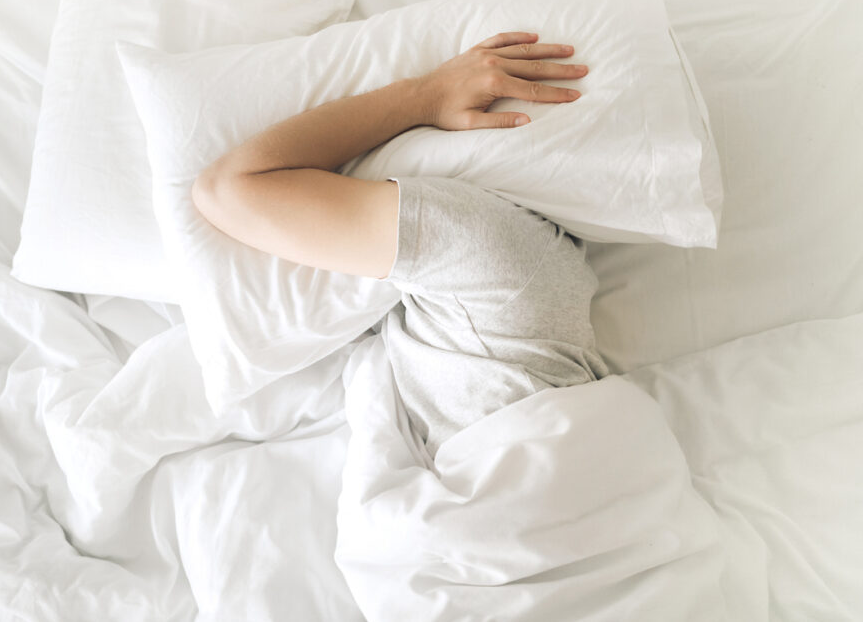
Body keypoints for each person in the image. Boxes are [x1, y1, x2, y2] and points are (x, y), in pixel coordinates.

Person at [192, 31, 608, 457]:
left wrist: (424, 97)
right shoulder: (490, 257)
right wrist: (423, 97)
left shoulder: (487, 256)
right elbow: (226, 191)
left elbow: (227, 189)